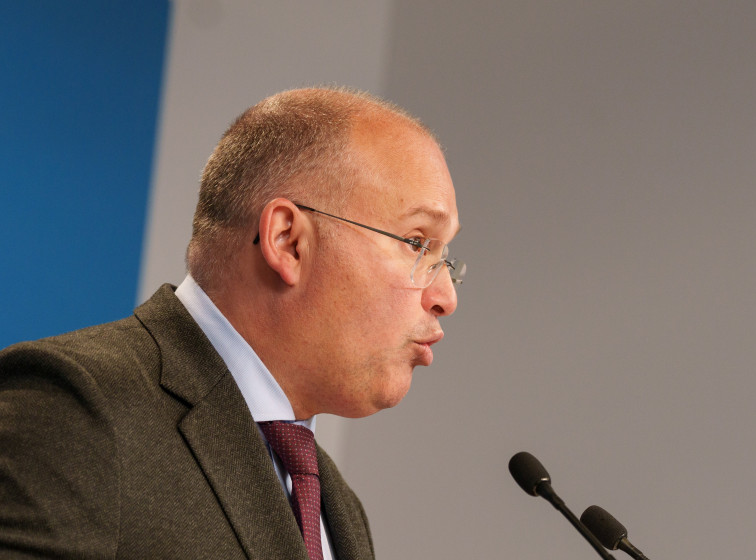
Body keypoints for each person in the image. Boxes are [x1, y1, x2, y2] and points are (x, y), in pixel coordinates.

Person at [0, 87, 463, 559]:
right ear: (288, 242)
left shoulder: (337, 506)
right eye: (417, 242)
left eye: (446, 257)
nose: (446, 296)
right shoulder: (77, 407)